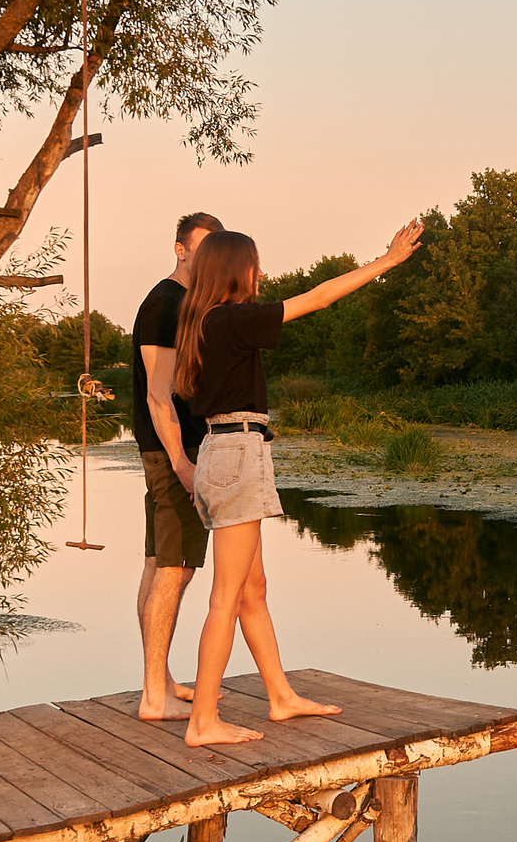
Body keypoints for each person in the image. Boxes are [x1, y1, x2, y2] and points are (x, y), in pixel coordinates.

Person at [160, 220, 425, 745]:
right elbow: (321, 296)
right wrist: (387, 262)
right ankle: (203, 721)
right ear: (237, 271)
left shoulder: (199, 323)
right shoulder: (232, 320)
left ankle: (279, 696)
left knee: (252, 588)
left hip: (222, 451)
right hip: (237, 452)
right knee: (227, 596)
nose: (260, 274)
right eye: (254, 265)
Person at [135, 212, 222, 722]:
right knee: (177, 567)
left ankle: (159, 680)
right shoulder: (165, 305)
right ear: (179, 249)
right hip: (174, 452)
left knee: (158, 563)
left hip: (172, 450)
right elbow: (157, 394)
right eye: (201, 248)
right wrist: (183, 463)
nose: (207, 257)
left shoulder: (183, 304)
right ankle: (153, 697)